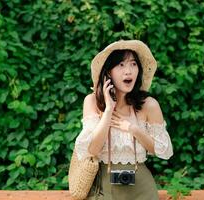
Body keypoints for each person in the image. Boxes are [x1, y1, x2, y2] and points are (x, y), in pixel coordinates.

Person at [74, 40, 173, 200]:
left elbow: (163, 151)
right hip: (104, 188)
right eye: (121, 65)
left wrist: (134, 129)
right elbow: (91, 150)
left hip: (141, 188)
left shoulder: (149, 105)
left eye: (133, 64)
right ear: (108, 72)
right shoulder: (91, 102)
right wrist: (108, 111)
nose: (128, 71)